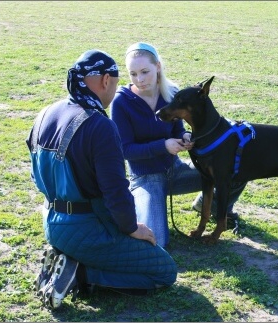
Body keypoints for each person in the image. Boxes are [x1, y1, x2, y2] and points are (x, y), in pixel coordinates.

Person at [26, 49, 177, 310]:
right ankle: (79, 273)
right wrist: (133, 228)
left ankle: (71, 259)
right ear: (106, 80)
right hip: (88, 228)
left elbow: (36, 178)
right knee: (164, 270)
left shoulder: (46, 112)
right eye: (118, 83)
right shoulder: (99, 125)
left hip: (51, 221)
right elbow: (116, 192)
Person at [110, 42, 247, 248]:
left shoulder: (171, 92)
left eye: (145, 71)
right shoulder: (121, 102)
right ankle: (141, 201)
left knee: (237, 170)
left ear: (157, 66)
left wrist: (184, 136)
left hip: (176, 172)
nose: (140, 79)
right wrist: (163, 146)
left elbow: (176, 130)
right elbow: (125, 150)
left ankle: (207, 204)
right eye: (133, 74)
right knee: (156, 242)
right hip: (146, 179)